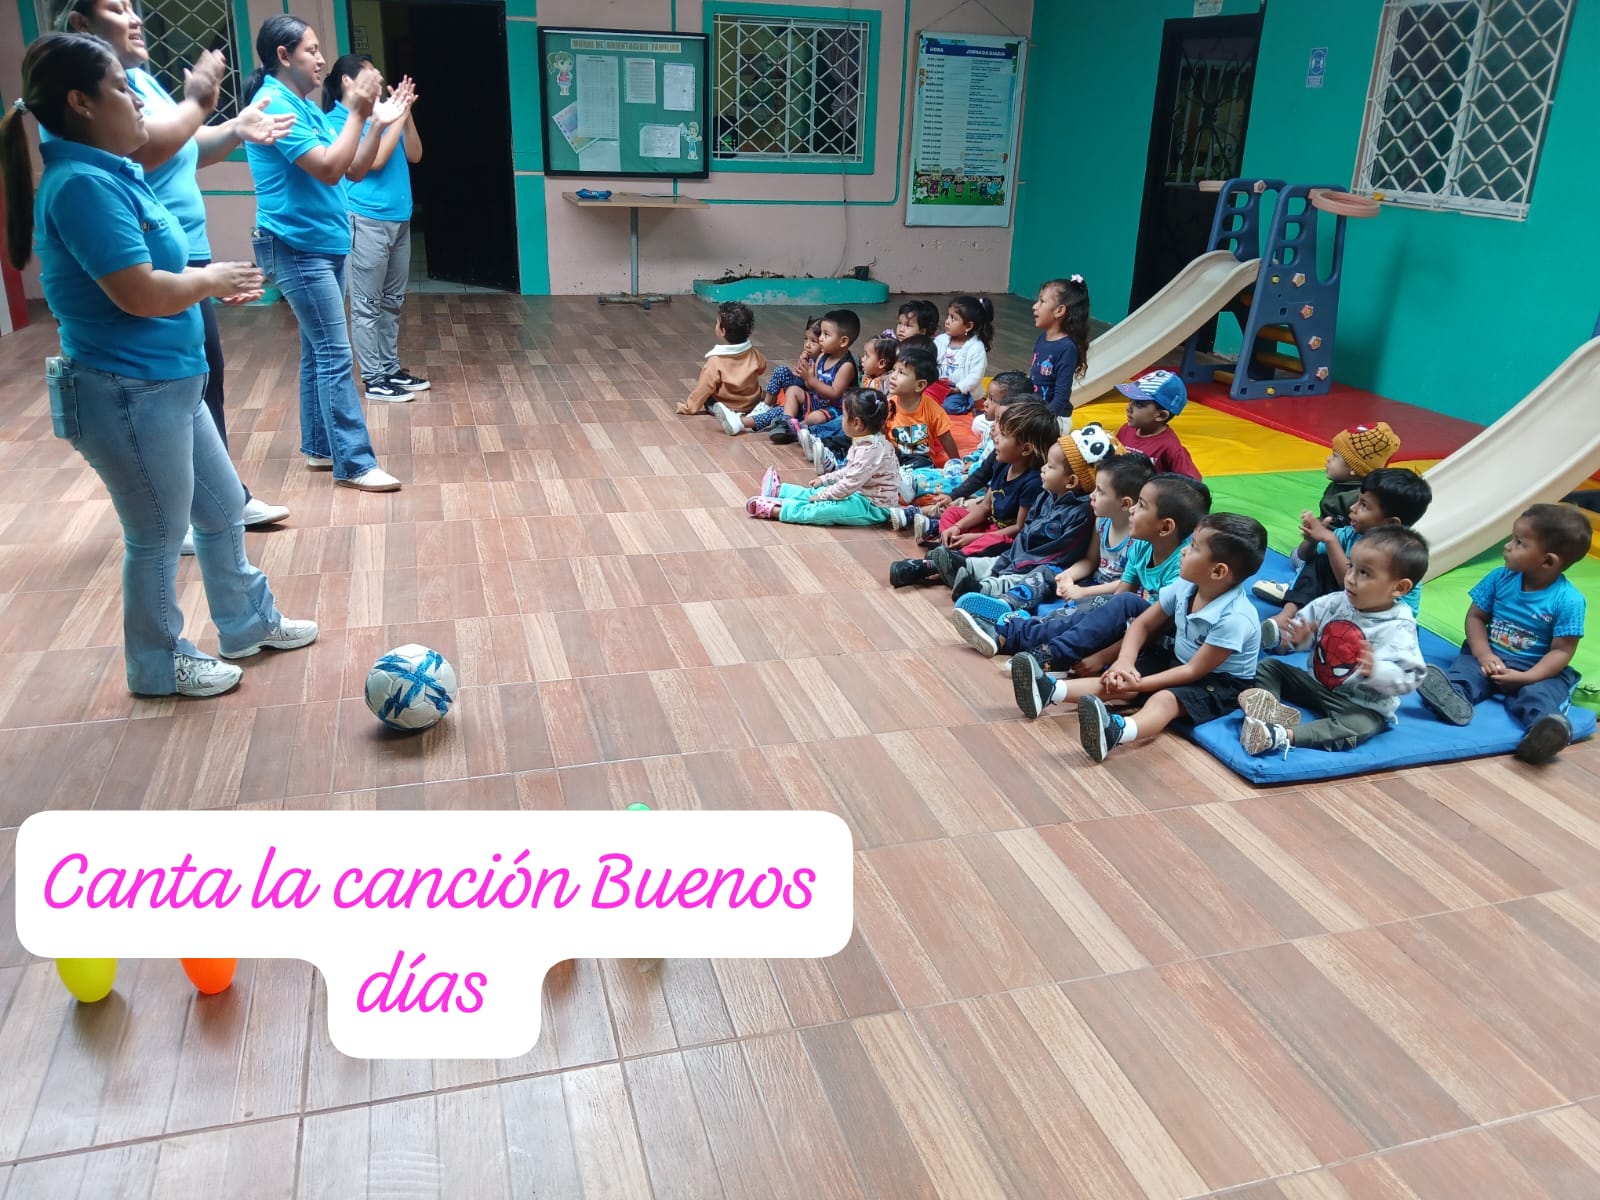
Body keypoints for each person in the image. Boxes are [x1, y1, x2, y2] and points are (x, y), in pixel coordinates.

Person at [2, 32, 317, 697]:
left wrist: (204, 283)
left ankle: (247, 622)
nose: (139, 101)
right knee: (156, 533)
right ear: (80, 102)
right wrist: (209, 280)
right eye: (122, 89)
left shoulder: (113, 171)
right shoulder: (82, 185)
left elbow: (154, 273)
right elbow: (139, 292)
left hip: (168, 387)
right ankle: (158, 662)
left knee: (222, 509)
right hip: (125, 393)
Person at [55, 0, 296, 547]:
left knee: (203, 382)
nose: (135, 17)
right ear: (82, 25)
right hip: (153, 262)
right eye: (117, 8)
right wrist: (197, 102)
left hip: (184, 251)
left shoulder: (139, 80)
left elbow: (186, 146)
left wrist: (234, 126)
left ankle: (222, 498)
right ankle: (185, 511)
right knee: (171, 390)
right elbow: (144, 148)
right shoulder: (99, 105)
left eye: (134, 6)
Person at [243, 15, 412, 491]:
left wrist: (377, 123)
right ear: (283, 55)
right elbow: (328, 169)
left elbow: (354, 168)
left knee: (317, 352)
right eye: (312, 50)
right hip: (297, 246)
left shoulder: (304, 107)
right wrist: (358, 112)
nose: (321, 60)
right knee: (336, 354)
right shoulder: (275, 105)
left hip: (321, 243)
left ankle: (320, 447)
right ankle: (354, 462)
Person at [1073, 514, 1268, 762]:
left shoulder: (1235, 618)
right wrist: (1124, 662)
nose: (1183, 551)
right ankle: (1050, 690)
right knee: (1119, 678)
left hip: (1219, 682)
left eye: (1193, 547)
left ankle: (1115, 731)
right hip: (1179, 660)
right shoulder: (1186, 585)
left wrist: (1140, 685)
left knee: (1164, 699)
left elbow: (1194, 671)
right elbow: (1143, 624)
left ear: (1218, 571)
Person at [1004, 474, 1210, 709]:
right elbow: (1117, 602)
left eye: (1141, 505)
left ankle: (1048, 654)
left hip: (1161, 639)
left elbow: (1154, 627)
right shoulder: (1142, 545)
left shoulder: (1182, 567)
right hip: (1138, 630)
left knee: (1118, 610)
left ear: (1165, 527)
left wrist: (1104, 656)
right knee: (1098, 607)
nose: (1132, 509)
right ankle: (1014, 635)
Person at [1416, 503, 1590, 764]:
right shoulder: (1500, 578)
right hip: (1491, 656)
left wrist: (1527, 677)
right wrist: (1484, 654)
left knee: (1540, 696)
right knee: (1466, 672)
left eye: (1519, 543)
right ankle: (1452, 698)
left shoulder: (1569, 601)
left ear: (1548, 561)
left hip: (1537, 668)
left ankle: (1542, 732)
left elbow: (1562, 651)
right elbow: (1476, 617)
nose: (1507, 546)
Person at [1239, 527, 1429, 756]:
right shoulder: (1334, 602)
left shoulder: (1400, 626)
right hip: (1315, 685)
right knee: (1270, 667)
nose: (1350, 578)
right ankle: (1266, 711)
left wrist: (1377, 670)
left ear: (1399, 587)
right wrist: (1297, 640)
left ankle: (1279, 735)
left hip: (1358, 705)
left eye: (1364, 573)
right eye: (1351, 566)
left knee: (1361, 726)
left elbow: (1411, 676)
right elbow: (1304, 629)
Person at [322, 53, 428, 402]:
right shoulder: (338, 121)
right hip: (365, 220)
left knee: (392, 301)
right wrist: (395, 114)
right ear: (347, 81)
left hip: (399, 219)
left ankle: (390, 368)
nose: (381, 83)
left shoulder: (382, 115)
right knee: (367, 304)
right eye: (372, 76)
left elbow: (415, 154)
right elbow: (376, 160)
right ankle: (374, 378)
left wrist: (405, 115)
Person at [1262, 466, 1433, 644]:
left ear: (1390, 523)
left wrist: (1330, 541)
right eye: (1357, 500)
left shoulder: (1400, 557)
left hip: (1378, 624)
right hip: (1345, 604)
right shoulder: (1349, 534)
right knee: (1320, 562)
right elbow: (1301, 557)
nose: (1352, 508)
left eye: (1364, 505)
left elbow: (1353, 582)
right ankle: (1287, 618)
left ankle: (1306, 636)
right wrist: (1311, 539)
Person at [1254, 421, 1401, 603]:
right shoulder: (1341, 487)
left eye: (1335, 456)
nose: (1328, 459)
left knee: (1314, 562)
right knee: (1297, 556)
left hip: (1341, 556)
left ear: (1353, 468)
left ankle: (1294, 588)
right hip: (1329, 542)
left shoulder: (1354, 499)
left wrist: (1319, 541)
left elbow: (1343, 539)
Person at [744, 389, 898, 526]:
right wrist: (825, 480)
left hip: (873, 508)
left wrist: (823, 496)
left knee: (824, 510)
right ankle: (779, 491)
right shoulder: (865, 442)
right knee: (820, 491)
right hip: (859, 495)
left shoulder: (871, 450)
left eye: (844, 416)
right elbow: (850, 472)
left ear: (856, 423)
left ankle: (777, 510)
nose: (842, 419)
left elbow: (849, 483)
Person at [721, 314, 820, 436]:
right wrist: (802, 362)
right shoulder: (810, 358)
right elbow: (797, 383)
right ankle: (765, 406)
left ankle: (740, 423)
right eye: (806, 339)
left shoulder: (821, 365)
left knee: (780, 411)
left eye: (813, 341)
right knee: (781, 370)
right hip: (795, 395)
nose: (807, 344)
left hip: (807, 407)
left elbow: (809, 388)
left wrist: (805, 370)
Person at [682, 300, 767, 416]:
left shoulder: (715, 361)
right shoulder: (753, 353)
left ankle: (725, 412)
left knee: (709, 399)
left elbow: (704, 388)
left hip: (727, 405)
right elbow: (762, 367)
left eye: (717, 323)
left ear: (722, 331)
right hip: (751, 404)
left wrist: (688, 408)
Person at [1115, 370, 1200, 479]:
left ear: (1161, 415)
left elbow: (1192, 481)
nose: (1129, 408)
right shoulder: (1125, 430)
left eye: (1139, 404)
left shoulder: (1170, 446)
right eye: (1130, 400)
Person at [1030, 275, 1091, 419]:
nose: (1034, 306)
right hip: (1036, 411)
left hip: (1055, 417)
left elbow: (1061, 397)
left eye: (1042, 301)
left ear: (1059, 311)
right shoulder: (1042, 338)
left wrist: (1043, 421)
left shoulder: (1067, 349)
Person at [929, 294, 993, 408]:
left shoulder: (976, 348)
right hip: (940, 385)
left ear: (968, 326)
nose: (947, 321)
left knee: (949, 406)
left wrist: (958, 388)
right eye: (948, 316)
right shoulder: (941, 340)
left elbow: (975, 376)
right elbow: (930, 360)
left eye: (953, 318)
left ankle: (969, 406)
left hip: (962, 392)